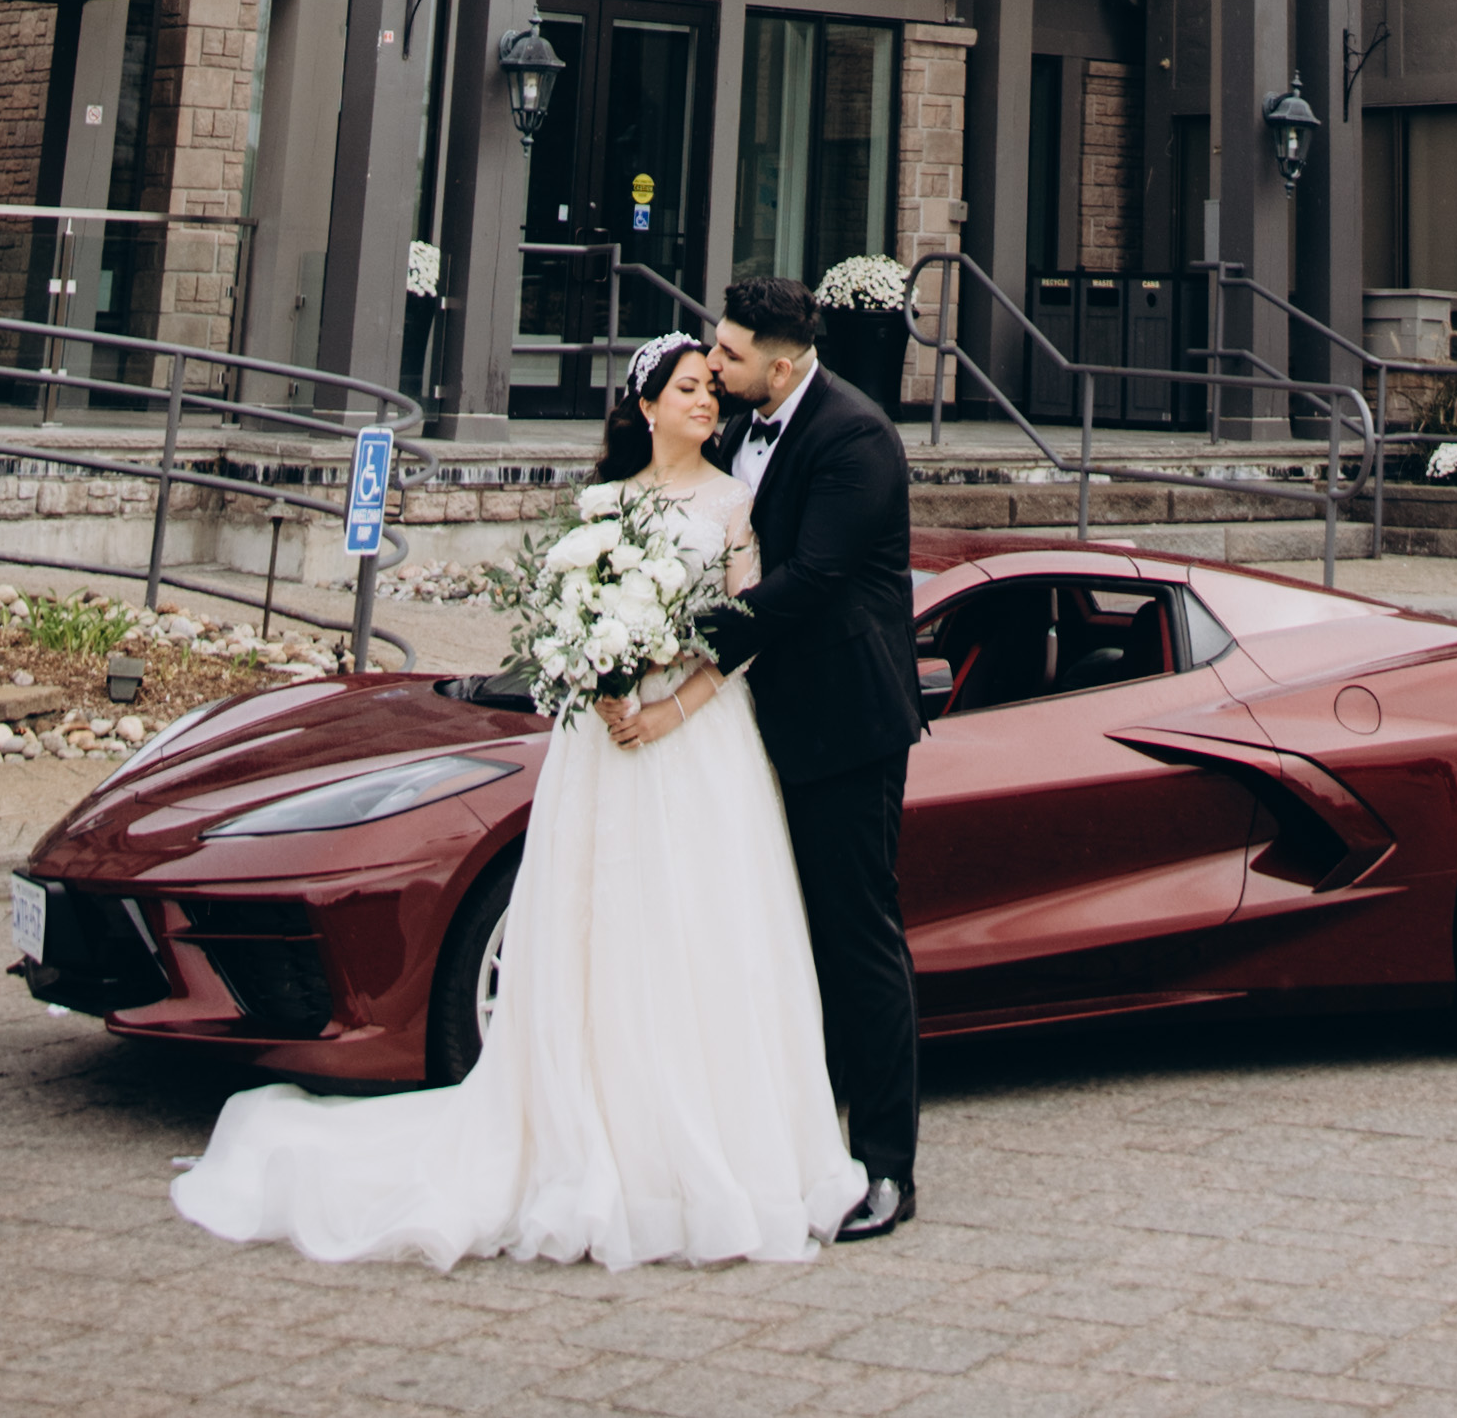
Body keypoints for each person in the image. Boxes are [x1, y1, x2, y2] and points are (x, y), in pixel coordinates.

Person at [166, 335, 866, 1276]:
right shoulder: (601, 508)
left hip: (698, 744)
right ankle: (592, 1126)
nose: (707, 401)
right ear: (647, 406)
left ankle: (700, 1148)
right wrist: (597, 673)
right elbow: (568, 625)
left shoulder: (733, 502)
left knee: (702, 928)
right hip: (604, 750)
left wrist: (668, 706)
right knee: (602, 928)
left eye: (712, 387)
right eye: (689, 388)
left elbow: (746, 632)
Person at [700, 268, 926, 1241]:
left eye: (729, 352)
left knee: (856, 939)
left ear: (782, 365)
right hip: (751, 724)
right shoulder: (731, 427)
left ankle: (886, 1166)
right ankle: (791, 1143)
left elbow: (814, 578)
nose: (712, 361)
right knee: (770, 936)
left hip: (844, 726)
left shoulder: (856, 437)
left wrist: (680, 637)